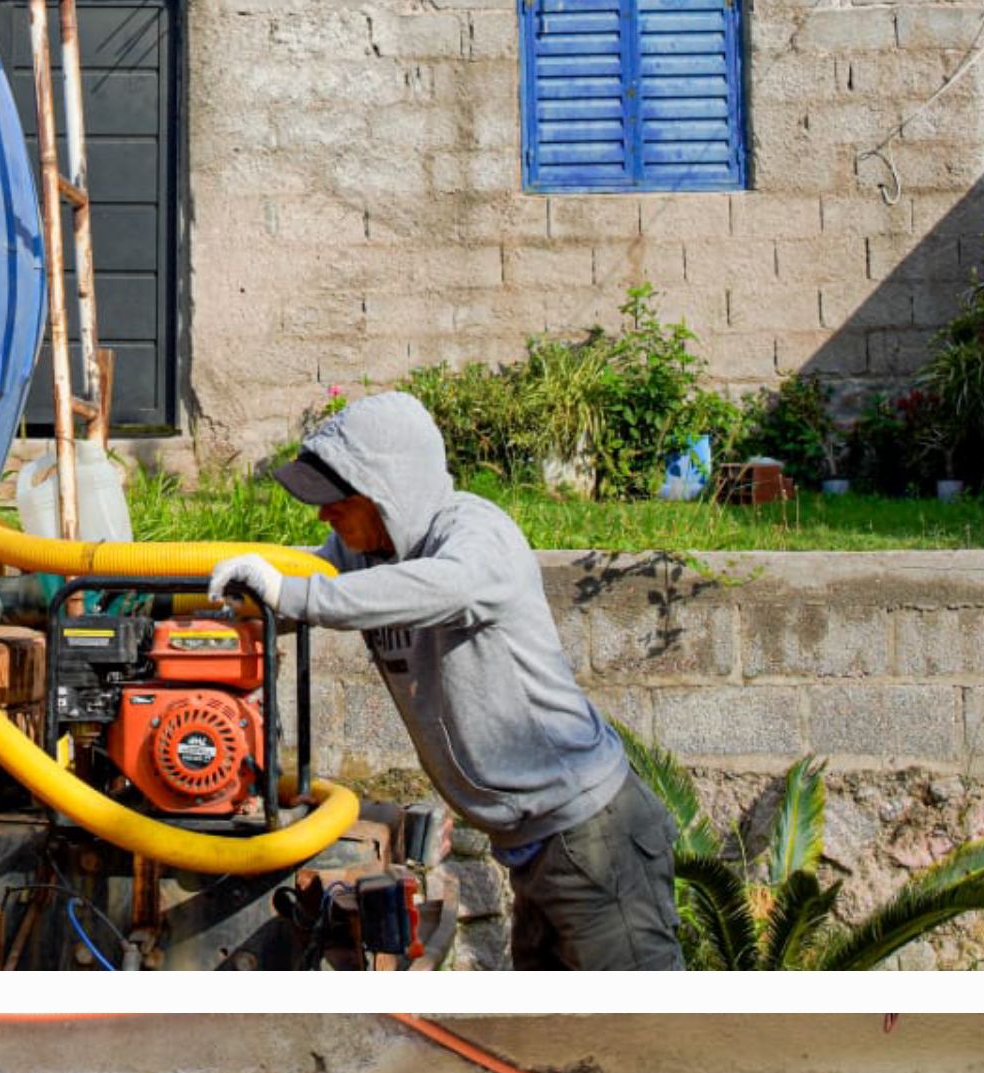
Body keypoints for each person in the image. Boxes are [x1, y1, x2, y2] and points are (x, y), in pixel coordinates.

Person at [208, 390, 685, 968]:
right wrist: (218, 608)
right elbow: (307, 587)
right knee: (553, 1043)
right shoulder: (364, 552)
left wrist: (294, 593)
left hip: (593, 836)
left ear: (388, 492)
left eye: (338, 498)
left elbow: (440, 586)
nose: (323, 513)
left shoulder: (477, 535)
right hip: (538, 846)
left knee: (642, 1035)